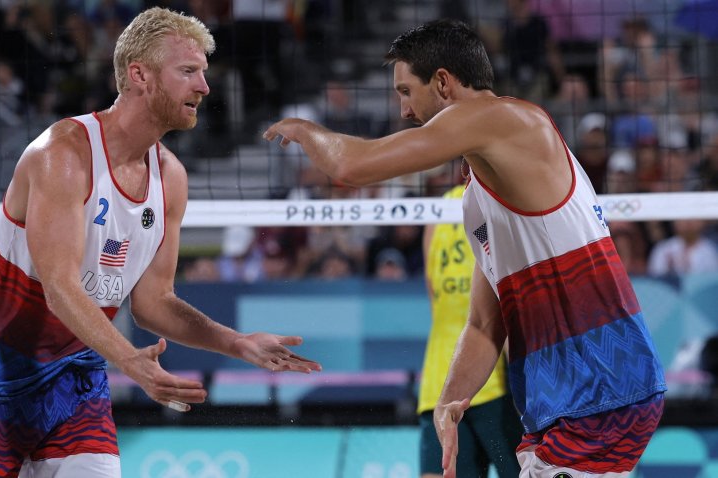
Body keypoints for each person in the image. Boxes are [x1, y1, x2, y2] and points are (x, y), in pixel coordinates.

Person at [0, 7, 321, 478]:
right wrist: (131, 361)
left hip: (76, 383)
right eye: (188, 72)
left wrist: (237, 344)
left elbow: (154, 304)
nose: (204, 86)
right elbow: (59, 288)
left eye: (204, 73)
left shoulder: (170, 177)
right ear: (140, 75)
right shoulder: (64, 154)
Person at [264, 19, 666, 478]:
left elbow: (353, 166)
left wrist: (304, 129)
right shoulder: (479, 195)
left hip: (601, 389)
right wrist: (449, 403)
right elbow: (482, 324)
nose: (404, 111)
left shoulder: (506, 118)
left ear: (442, 82)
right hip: (565, 401)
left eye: (406, 92)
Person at [418, 184, 521, 478]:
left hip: (442, 381)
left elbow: (433, 297)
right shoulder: (506, 201)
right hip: (492, 380)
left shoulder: (437, 213)